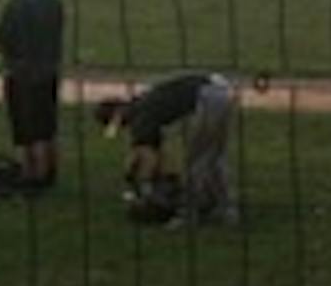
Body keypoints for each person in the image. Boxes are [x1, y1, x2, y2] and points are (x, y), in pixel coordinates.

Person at [93, 72, 238, 225]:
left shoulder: (140, 118)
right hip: (216, 90)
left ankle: (191, 213)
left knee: (197, 161)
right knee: (213, 158)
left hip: (206, 98)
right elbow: (154, 151)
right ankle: (223, 209)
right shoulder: (142, 104)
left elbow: (149, 157)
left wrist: (145, 185)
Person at [0, 0, 65, 190]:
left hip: (22, 73)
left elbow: (3, 39)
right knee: (47, 124)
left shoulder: (15, 7)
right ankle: (51, 170)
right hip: (49, 70)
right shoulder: (53, 2)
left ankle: (33, 175)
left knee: (27, 129)